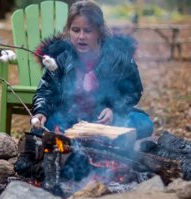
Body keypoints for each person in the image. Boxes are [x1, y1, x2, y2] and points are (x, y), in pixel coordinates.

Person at [31, 0, 153, 139]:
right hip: (70, 120)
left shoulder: (118, 58)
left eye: (88, 31)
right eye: (75, 30)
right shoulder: (60, 57)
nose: (81, 37)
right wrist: (41, 111)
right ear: (68, 30)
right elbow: (47, 90)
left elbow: (133, 91)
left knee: (144, 123)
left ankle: (111, 139)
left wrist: (113, 109)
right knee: (42, 127)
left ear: (99, 32)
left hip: (104, 122)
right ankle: (103, 141)